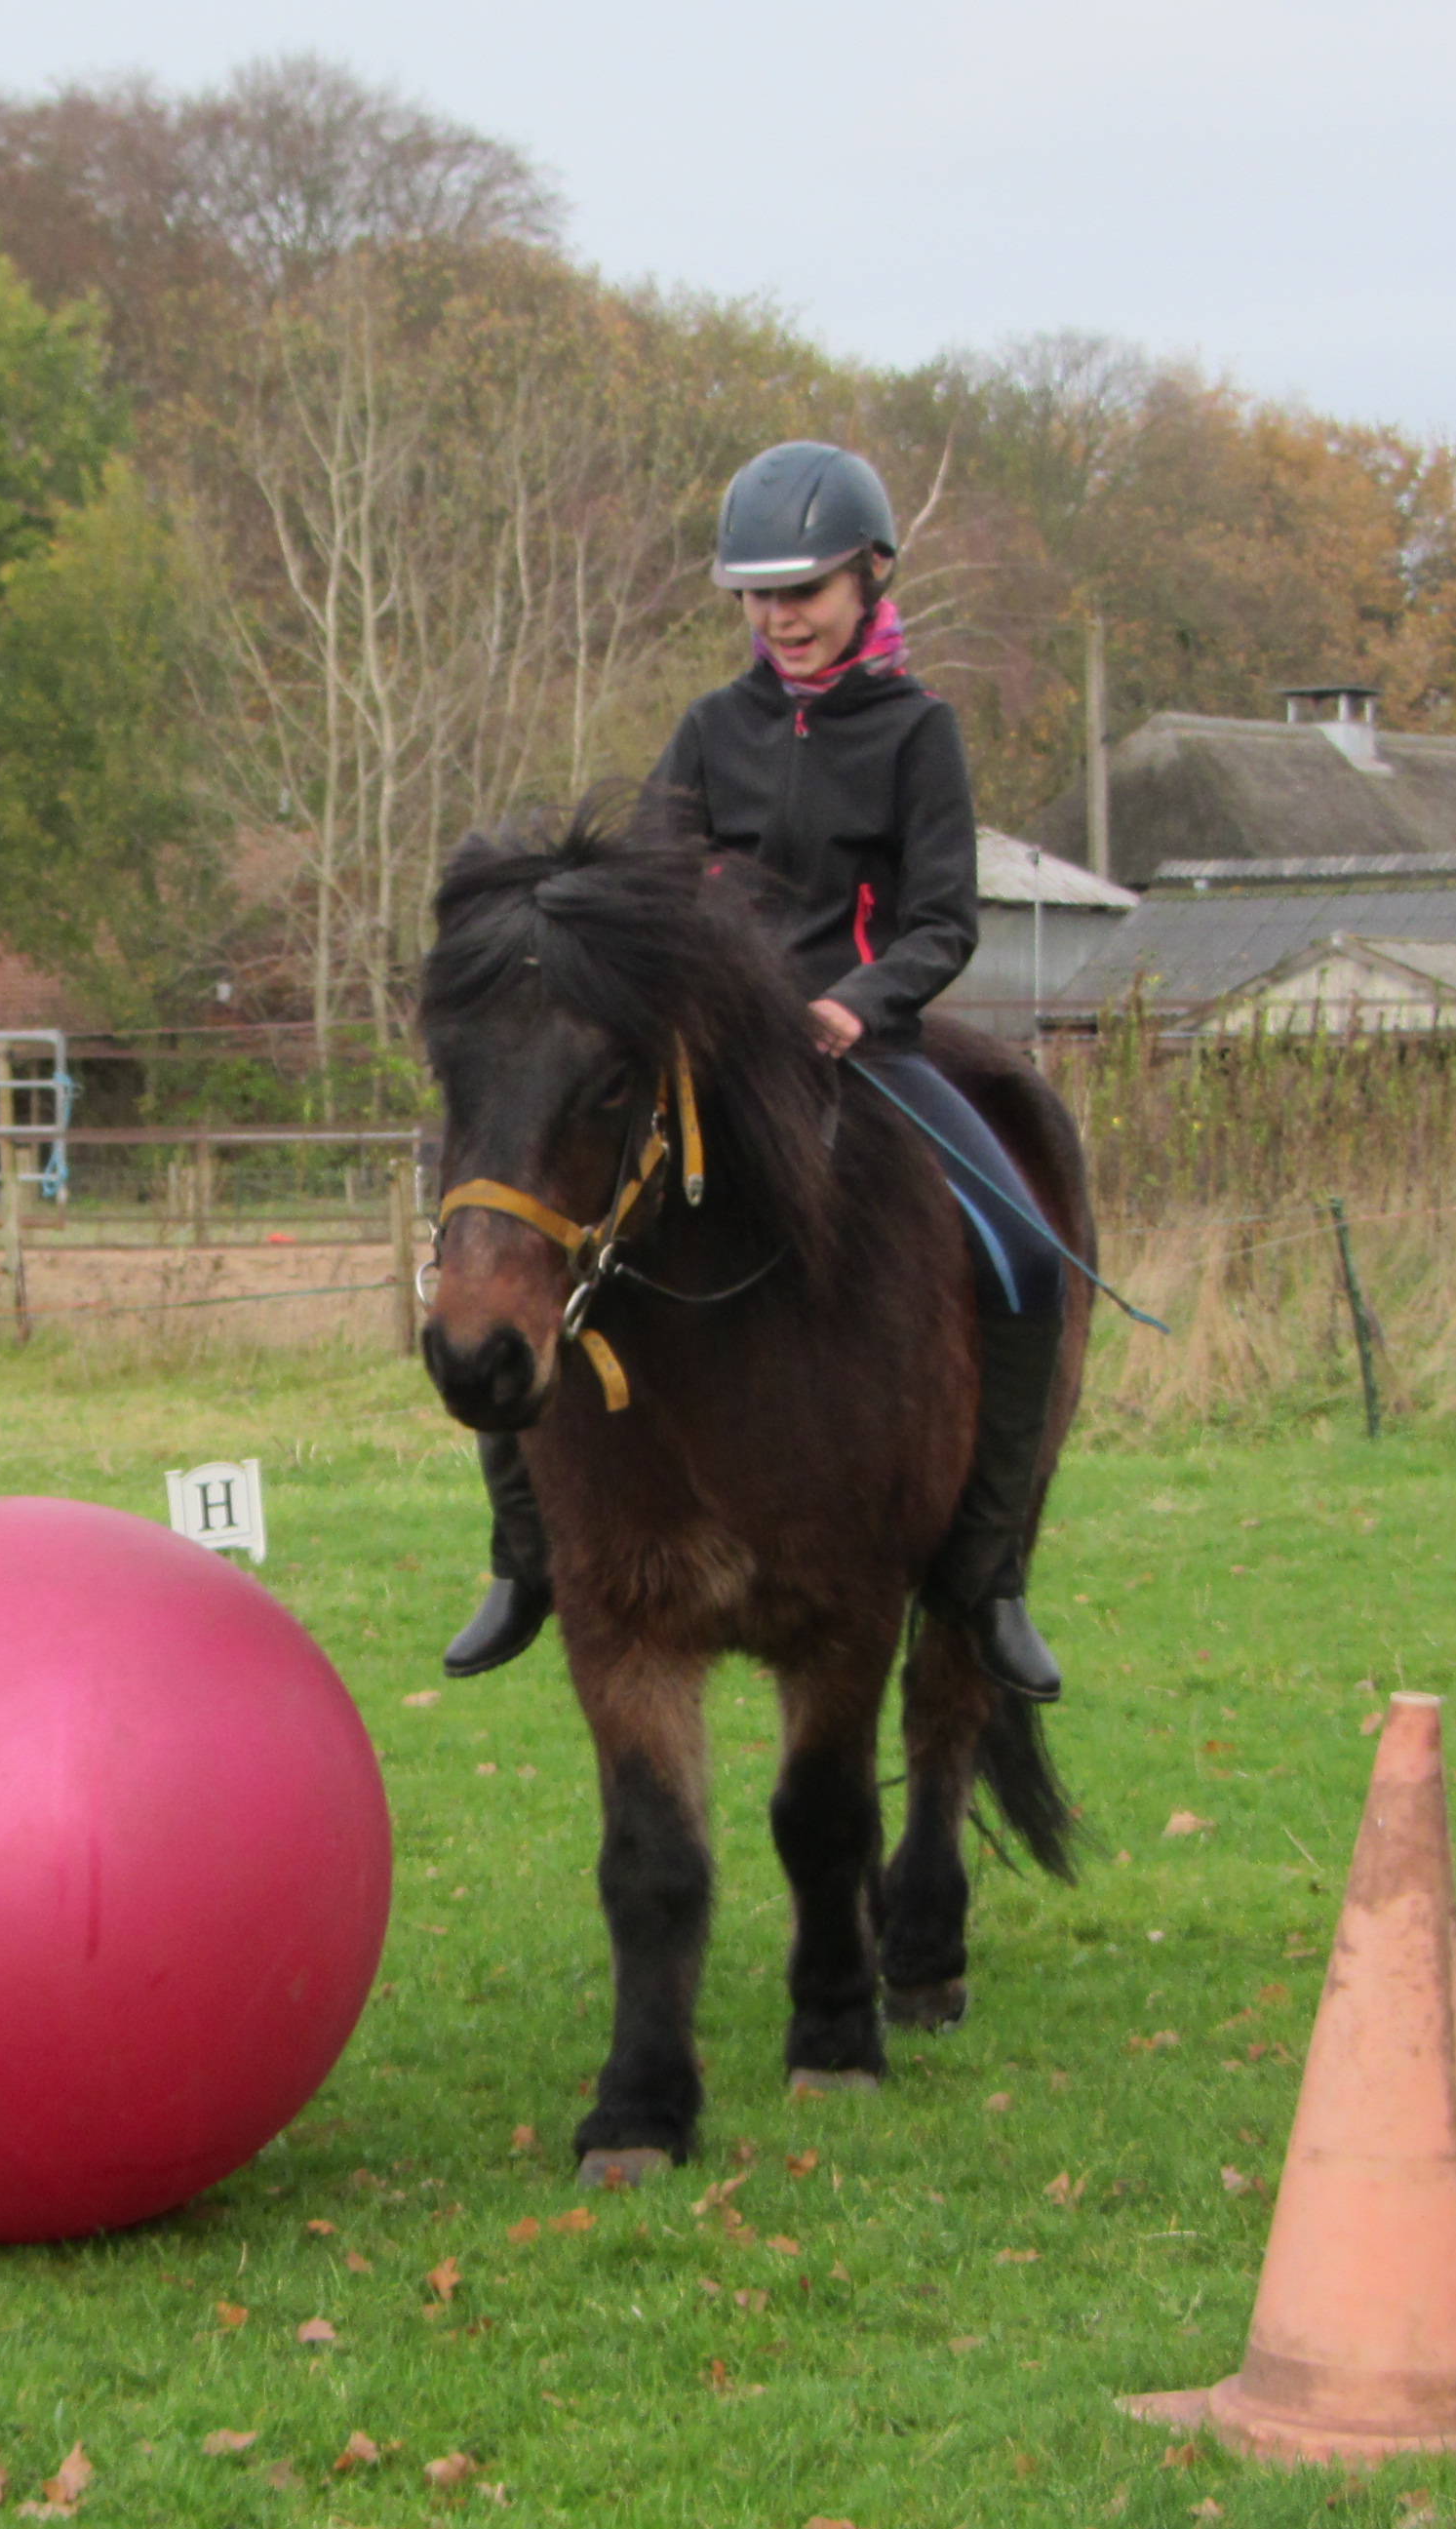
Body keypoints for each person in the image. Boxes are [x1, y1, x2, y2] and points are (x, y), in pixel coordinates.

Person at [442, 438, 1070, 1705]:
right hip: (716, 1063)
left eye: (806, 591)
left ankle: (986, 1579)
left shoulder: (917, 734)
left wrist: (856, 1003)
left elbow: (942, 921)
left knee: (1027, 1256)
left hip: (865, 1051)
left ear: (870, 577)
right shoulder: (710, 727)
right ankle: (523, 1557)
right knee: (501, 1223)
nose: (781, 618)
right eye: (759, 596)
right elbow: (647, 902)